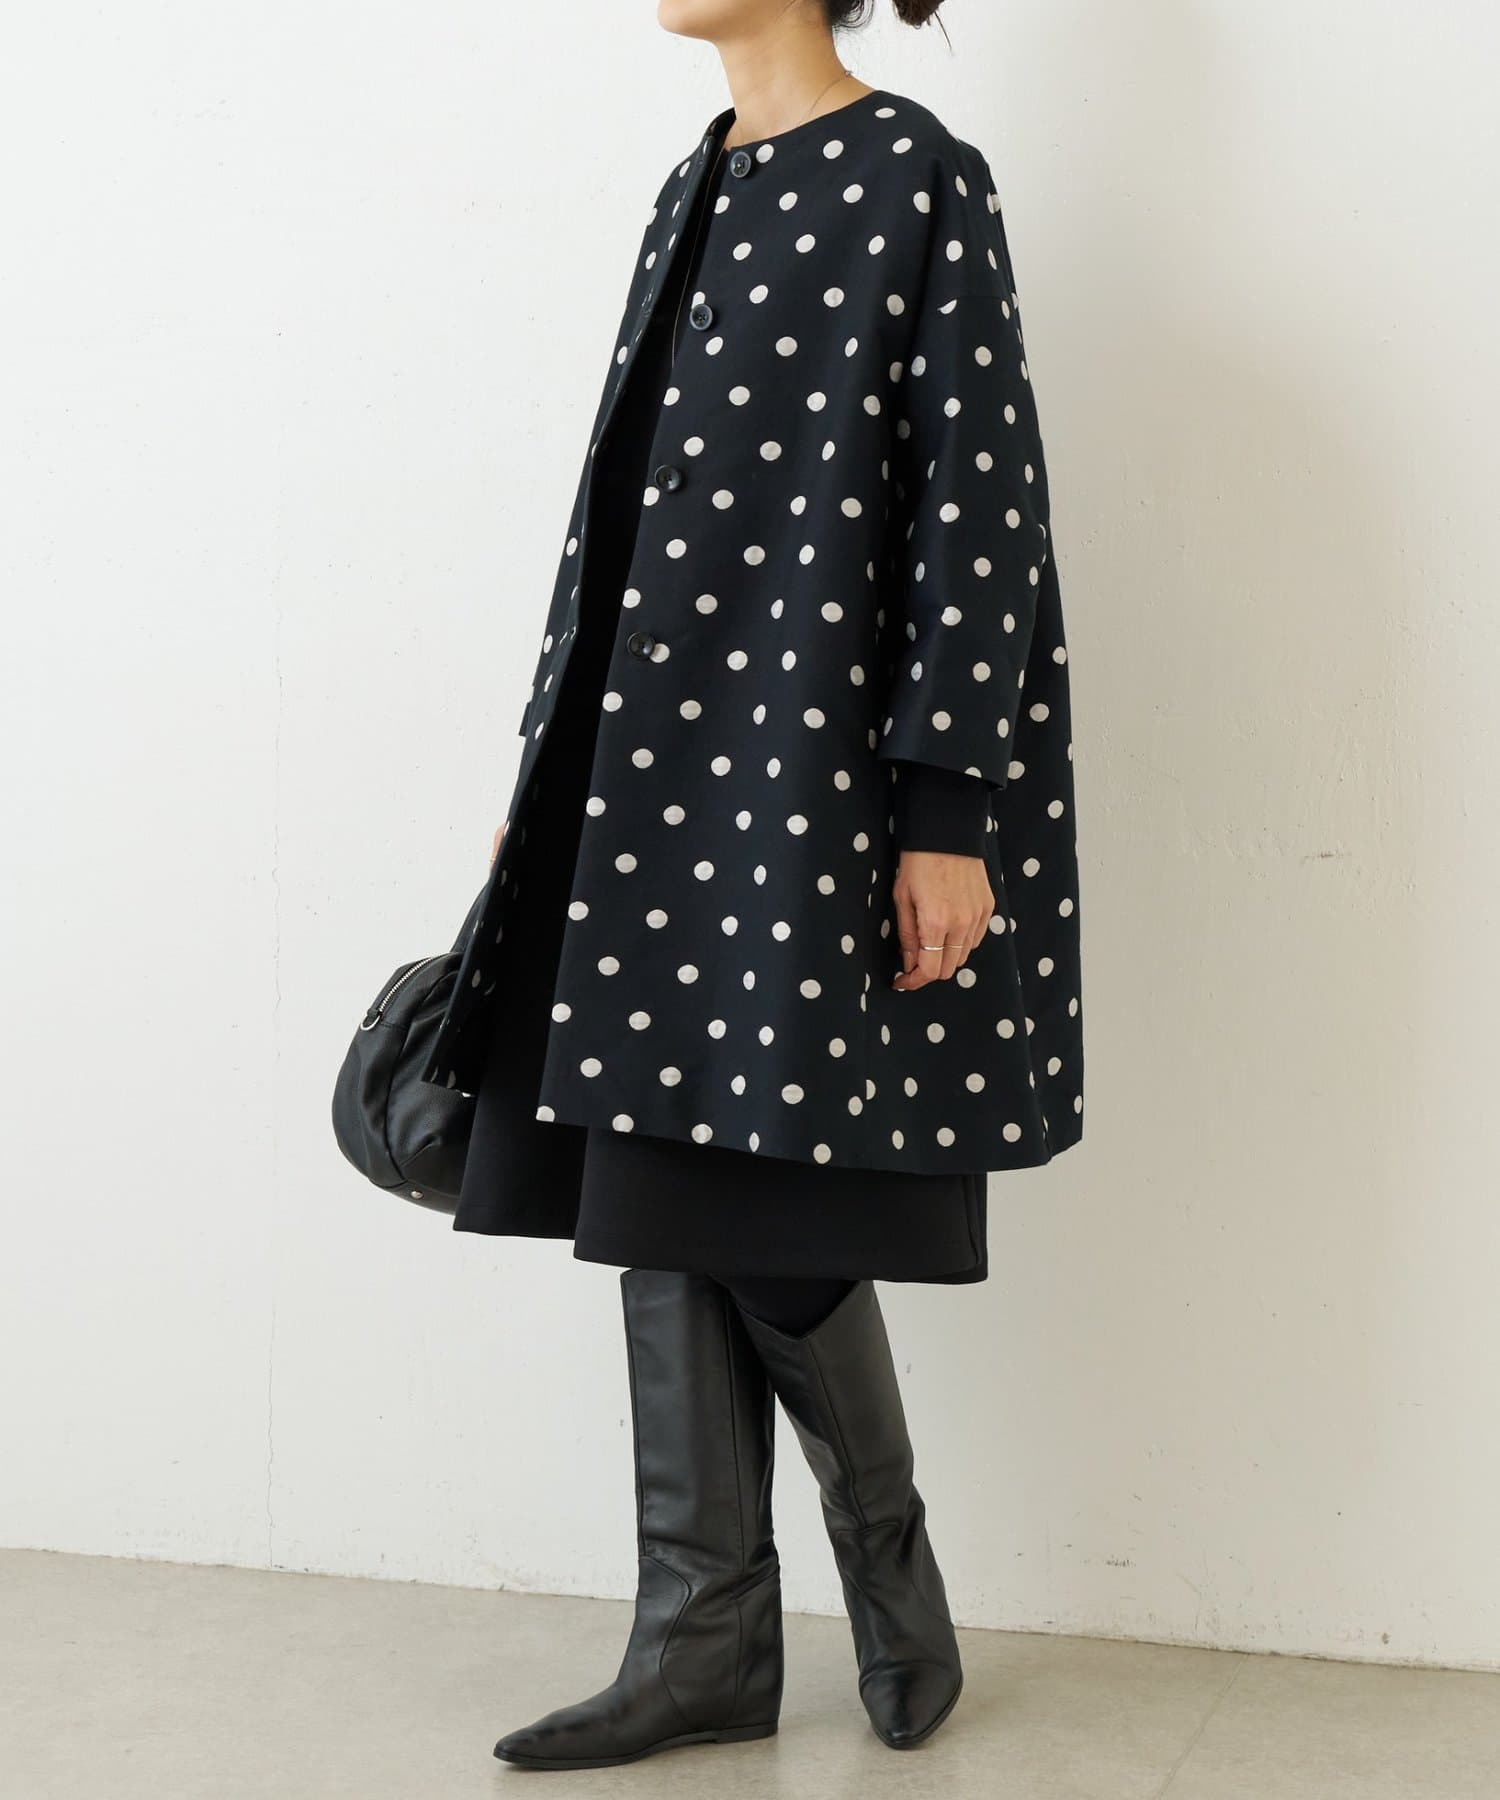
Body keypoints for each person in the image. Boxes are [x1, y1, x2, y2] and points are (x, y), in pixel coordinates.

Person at [425, 0, 1084, 1770]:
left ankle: (879, 1567)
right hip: (643, 768)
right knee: (649, 1176)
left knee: (757, 1203)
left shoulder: (916, 175)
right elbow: (615, 506)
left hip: (803, 770)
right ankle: (702, 1637)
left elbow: (980, 510)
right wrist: (543, 775)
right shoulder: (693, 181)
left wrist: (947, 810)